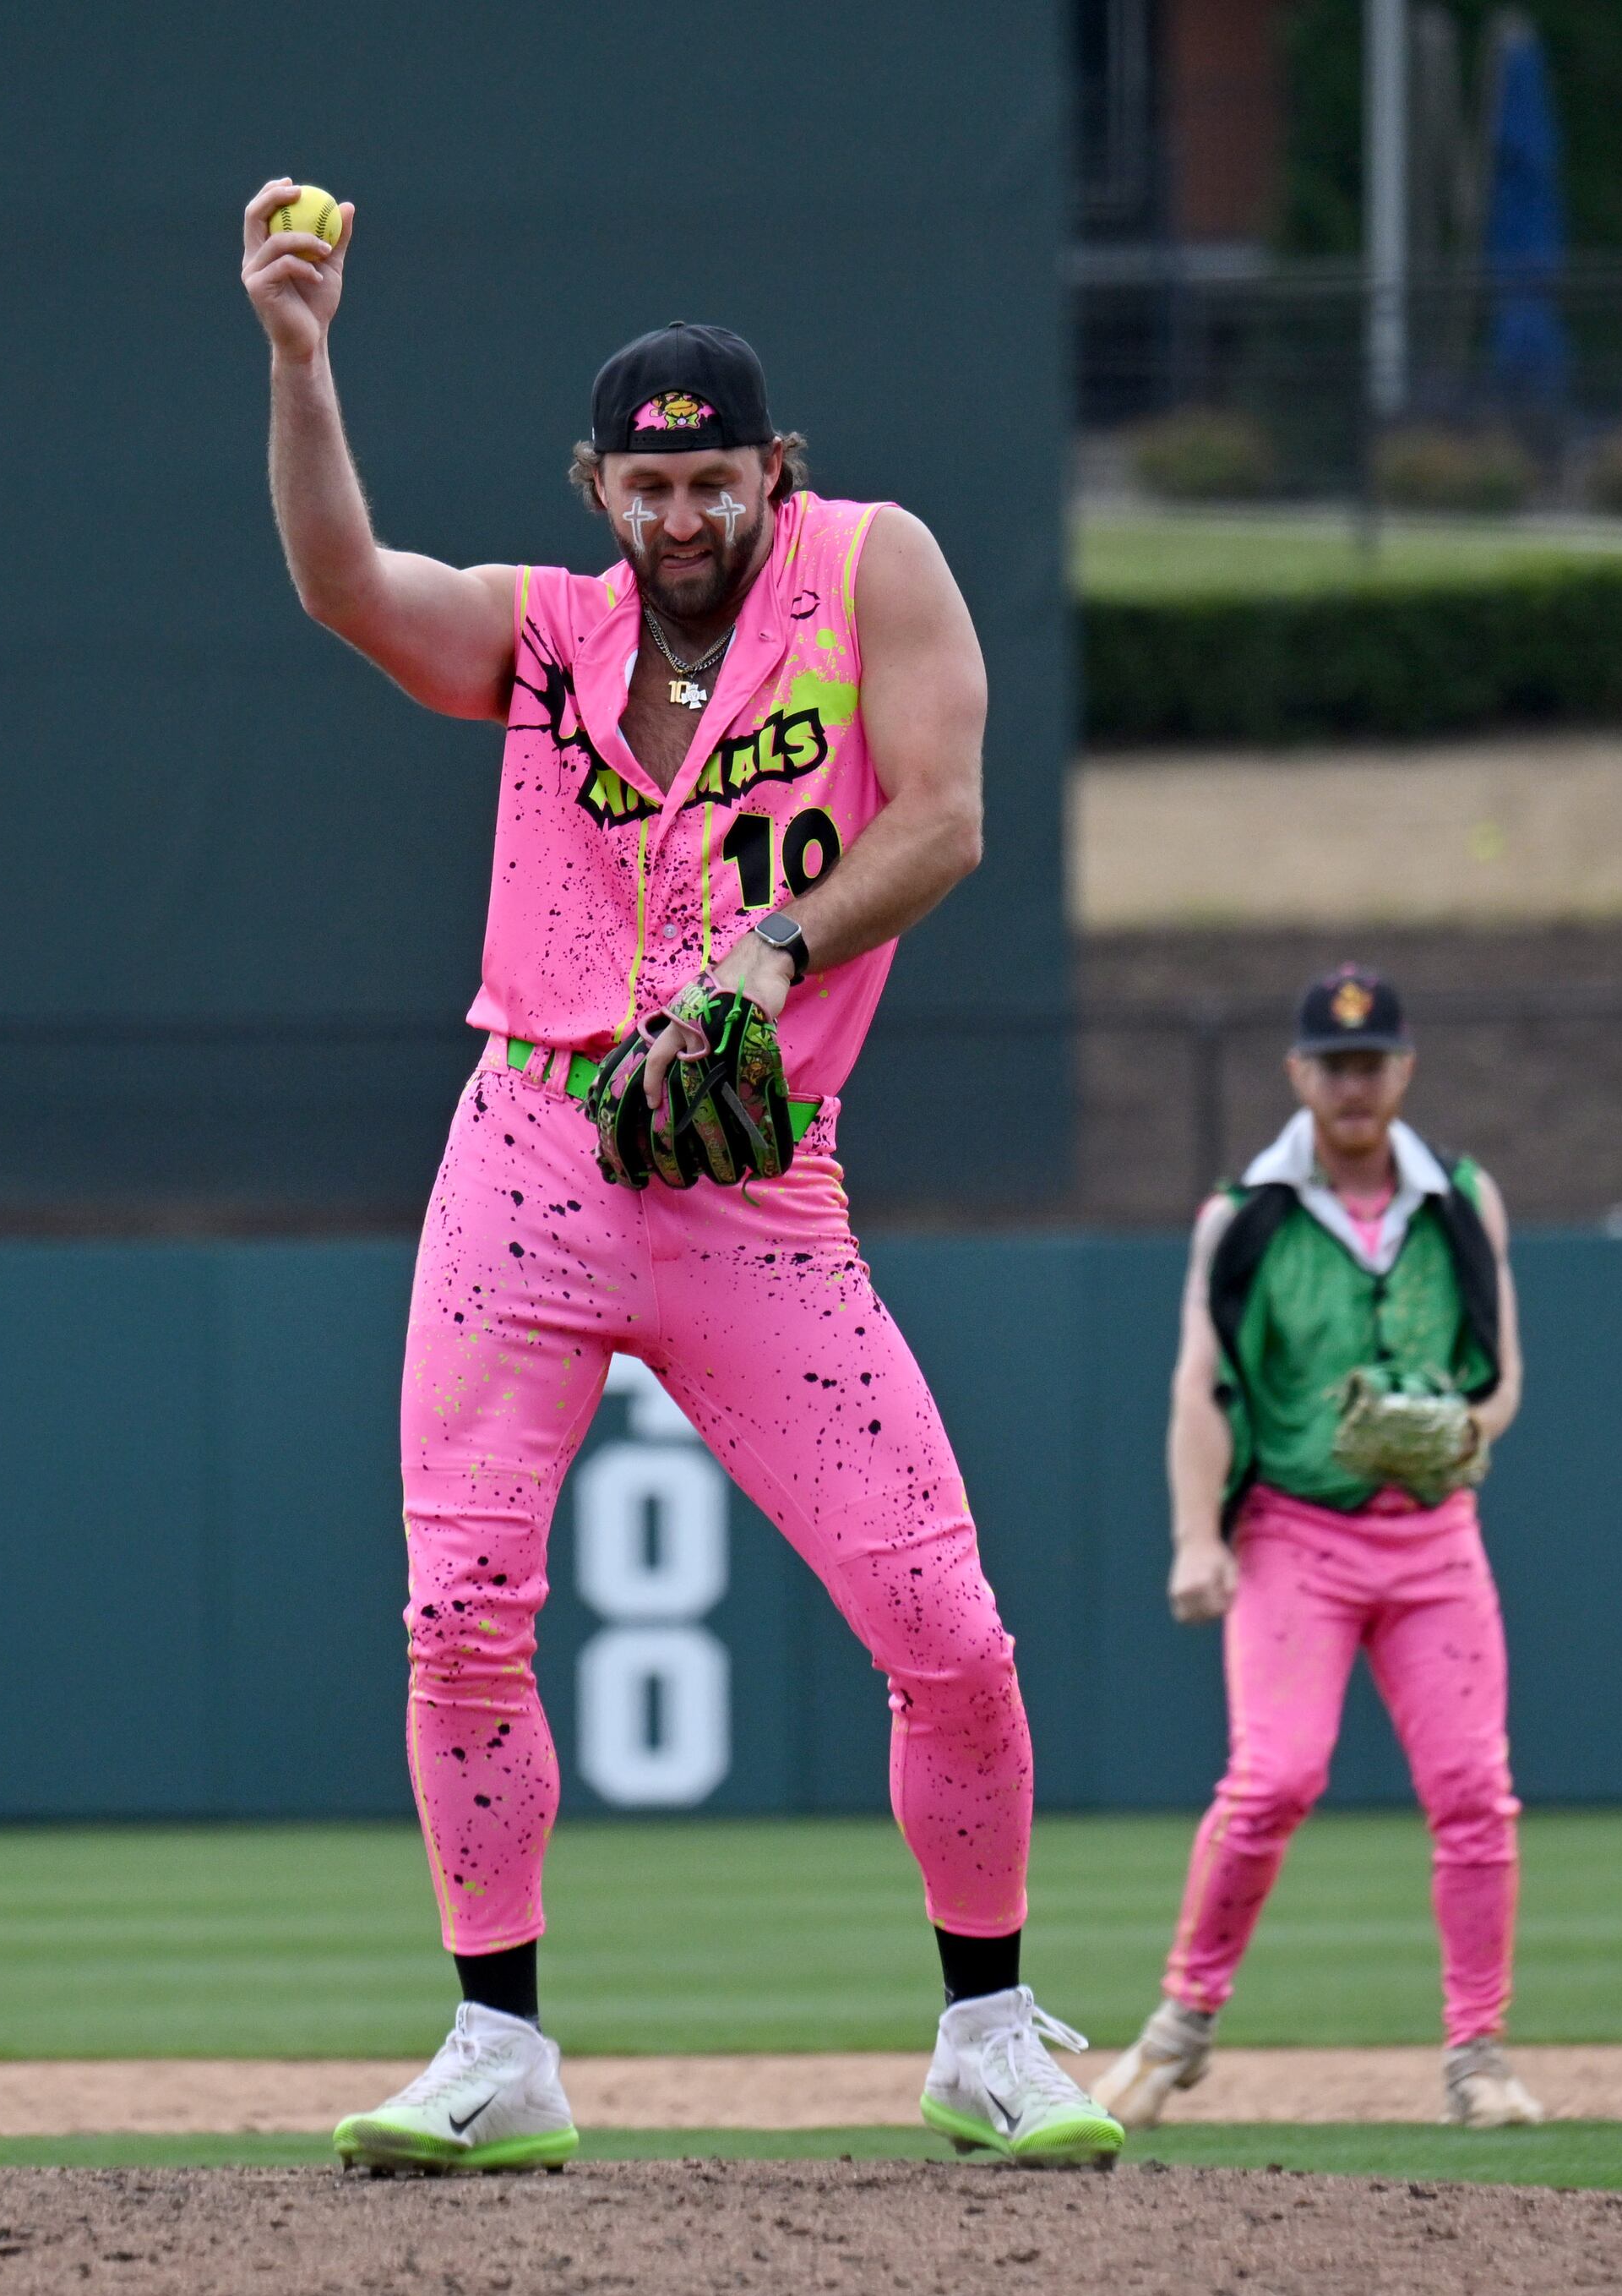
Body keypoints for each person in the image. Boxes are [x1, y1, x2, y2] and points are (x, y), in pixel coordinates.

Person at [237, 180, 1122, 2175]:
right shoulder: (551, 637)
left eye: (715, 481)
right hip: (532, 1150)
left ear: (768, 470)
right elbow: (344, 585)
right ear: (598, 493)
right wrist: (300, 358)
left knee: (944, 1628)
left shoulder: (871, 565)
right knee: (458, 1610)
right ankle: (497, 2047)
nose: (682, 520)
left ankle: (986, 2026)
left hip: (751, 1181)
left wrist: (766, 962)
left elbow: (951, 817)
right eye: (646, 492)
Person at [1090, 968, 1544, 2133]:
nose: (1356, 1083)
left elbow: (1500, 1377)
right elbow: (1203, 1381)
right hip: (1298, 1529)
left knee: (1474, 1794)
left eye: (1375, 1061)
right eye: (1335, 1064)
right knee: (1275, 1778)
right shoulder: (1247, 1212)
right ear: (1300, 1075)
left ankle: (1478, 2057)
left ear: (1405, 1069)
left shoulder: (1461, 1200)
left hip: (1435, 1535)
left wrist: (1465, 1431)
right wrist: (1198, 1538)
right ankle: (1179, 2027)